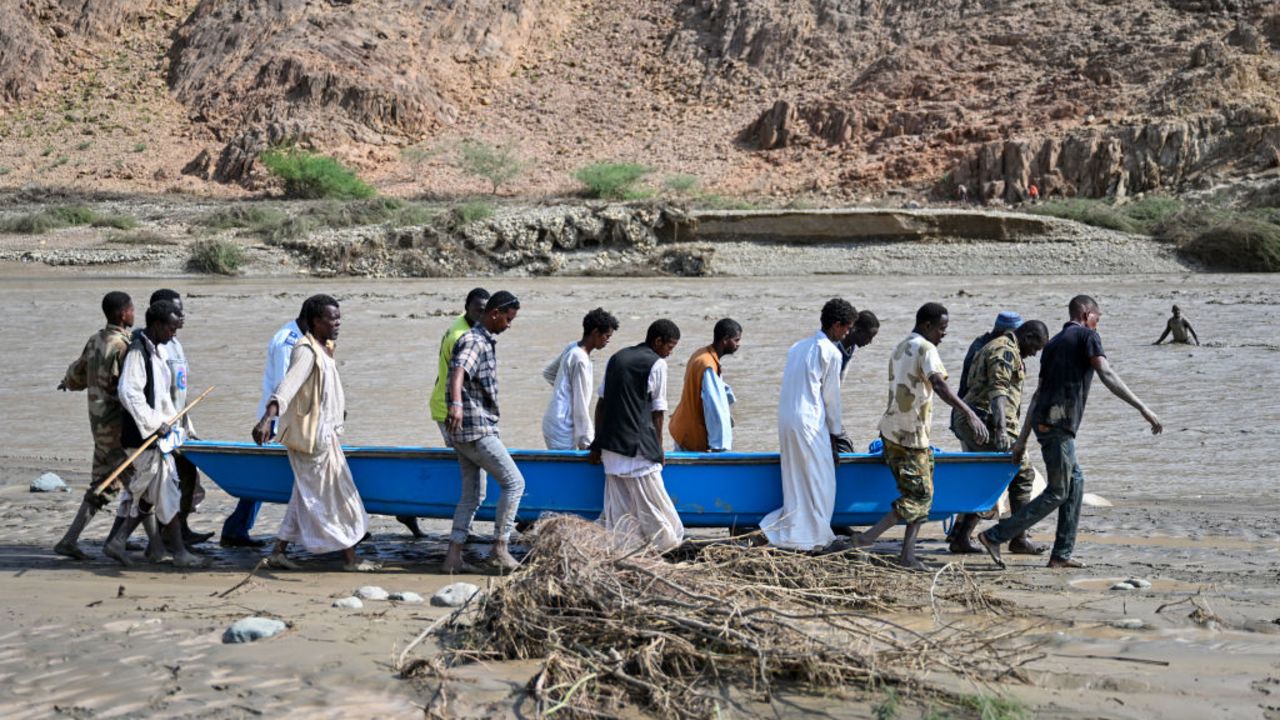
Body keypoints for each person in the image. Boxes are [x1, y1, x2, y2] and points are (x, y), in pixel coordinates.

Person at [978, 295, 1162, 569]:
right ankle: (995, 535)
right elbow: (1107, 374)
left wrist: (1023, 439)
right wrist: (1143, 408)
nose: (1097, 325)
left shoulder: (1052, 345)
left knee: (1075, 484)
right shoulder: (1087, 336)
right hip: (1058, 426)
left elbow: (1038, 394)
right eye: (1097, 319)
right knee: (1058, 491)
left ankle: (1061, 554)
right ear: (1087, 314)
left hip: (1046, 424)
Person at [855, 302, 990, 570]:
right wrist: (970, 413)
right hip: (909, 437)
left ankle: (907, 555)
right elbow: (938, 384)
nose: (944, 334)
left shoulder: (901, 346)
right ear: (927, 325)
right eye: (942, 328)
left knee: (922, 495)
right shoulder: (926, 349)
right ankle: (866, 538)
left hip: (895, 431)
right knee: (918, 498)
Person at [252, 295, 378, 572]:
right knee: (334, 496)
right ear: (315, 322)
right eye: (331, 318)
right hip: (313, 440)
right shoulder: (305, 351)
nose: (338, 323)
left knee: (303, 496)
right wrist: (267, 417)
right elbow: (287, 387)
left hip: (326, 435)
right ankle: (350, 558)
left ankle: (278, 552)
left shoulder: (324, 348)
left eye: (339, 317)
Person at [103, 300, 204, 568]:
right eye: (171, 328)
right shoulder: (138, 352)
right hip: (144, 439)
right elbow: (129, 393)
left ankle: (121, 542)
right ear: (158, 325)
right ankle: (179, 553)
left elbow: (162, 399)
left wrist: (179, 428)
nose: (174, 333)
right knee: (165, 493)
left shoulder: (156, 351)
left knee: (148, 496)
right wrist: (153, 423)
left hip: (160, 438)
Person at [946, 320, 1050, 555]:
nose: (1035, 354)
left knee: (987, 478)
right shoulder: (1005, 350)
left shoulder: (1001, 347)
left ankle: (961, 537)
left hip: (980, 421)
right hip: (987, 422)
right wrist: (1002, 429)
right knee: (1023, 475)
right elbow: (998, 391)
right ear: (1028, 336)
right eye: (1036, 347)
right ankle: (1018, 537)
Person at [760, 299, 855, 551]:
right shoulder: (831, 352)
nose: (847, 334)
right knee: (821, 480)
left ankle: (797, 528)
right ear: (836, 325)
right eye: (846, 329)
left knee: (795, 478)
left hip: (787, 419)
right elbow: (831, 399)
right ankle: (813, 535)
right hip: (809, 422)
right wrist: (836, 433)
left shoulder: (797, 347)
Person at [443, 291, 526, 572]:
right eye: (508, 319)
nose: (509, 325)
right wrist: (455, 404)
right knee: (514, 483)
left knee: (472, 496)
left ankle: (453, 558)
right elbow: (458, 372)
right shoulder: (475, 340)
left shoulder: (481, 340)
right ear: (495, 313)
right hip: (476, 428)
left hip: (467, 430)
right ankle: (499, 549)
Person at [589, 319, 685, 552]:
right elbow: (658, 412)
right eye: (669, 347)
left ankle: (628, 553)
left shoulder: (617, 357)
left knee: (620, 511)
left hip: (611, 448)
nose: (669, 353)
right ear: (657, 341)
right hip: (637, 450)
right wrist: (658, 449)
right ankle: (665, 547)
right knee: (656, 508)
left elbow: (601, 404)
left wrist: (597, 443)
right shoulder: (657, 364)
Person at [53, 291, 135, 560]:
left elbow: (77, 374)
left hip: (98, 427)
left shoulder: (95, 340)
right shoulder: (124, 346)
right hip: (116, 430)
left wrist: (66, 382)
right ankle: (147, 544)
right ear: (123, 314)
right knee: (140, 483)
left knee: (103, 485)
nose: (134, 313)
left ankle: (69, 540)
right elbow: (130, 389)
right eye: (132, 309)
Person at [220, 309, 305, 548]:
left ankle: (236, 528)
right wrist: (272, 423)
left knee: (259, 478)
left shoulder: (296, 336)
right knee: (282, 476)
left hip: (280, 420)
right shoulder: (289, 342)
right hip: (278, 422)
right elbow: (284, 386)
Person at [148, 289, 212, 548]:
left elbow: (181, 392)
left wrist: (189, 426)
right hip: (160, 428)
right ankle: (160, 538)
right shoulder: (152, 346)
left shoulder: (175, 343)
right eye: (176, 311)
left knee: (188, 474)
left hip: (179, 427)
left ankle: (181, 528)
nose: (182, 316)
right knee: (160, 486)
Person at [542, 307, 618, 450]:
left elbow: (549, 374)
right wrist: (587, 442)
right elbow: (580, 404)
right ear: (595, 332)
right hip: (562, 426)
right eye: (606, 336)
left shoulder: (572, 347)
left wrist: (564, 389)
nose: (607, 341)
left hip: (554, 418)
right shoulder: (580, 360)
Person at [669, 318, 741, 452]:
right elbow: (714, 407)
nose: (738, 344)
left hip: (682, 428)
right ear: (725, 339)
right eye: (736, 340)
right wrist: (719, 447)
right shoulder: (708, 365)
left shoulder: (701, 354)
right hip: (692, 435)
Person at [837, 310, 880, 381]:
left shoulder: (851, 347)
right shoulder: (834, 347)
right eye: (869, 337)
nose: (870, 342)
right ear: (856, 329)